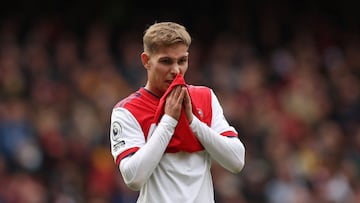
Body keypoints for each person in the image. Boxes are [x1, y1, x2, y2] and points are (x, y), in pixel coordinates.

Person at [109, 21, 245, 203]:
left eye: (182, 61)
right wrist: (168, 122)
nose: (176, 70)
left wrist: (194, 123)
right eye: (166, 61)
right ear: (146, 61)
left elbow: (236, 161)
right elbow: (133, 178)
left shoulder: (205, 97)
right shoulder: (127, 111)